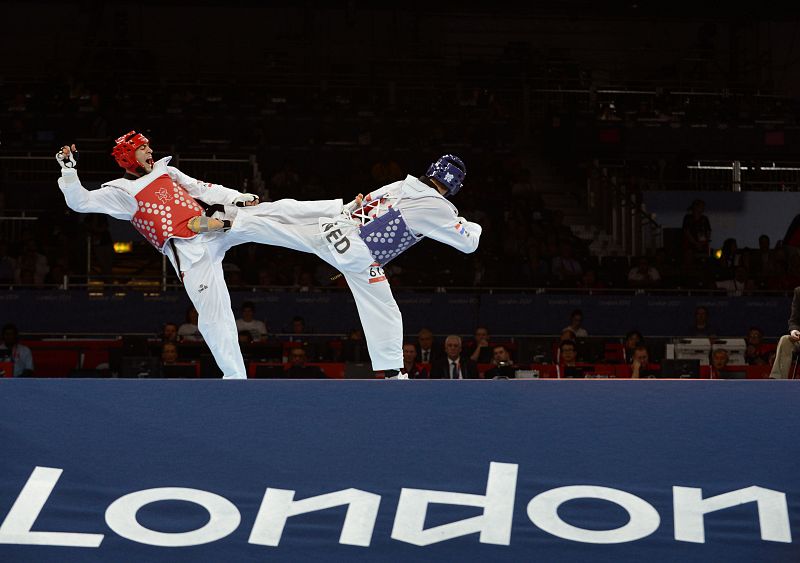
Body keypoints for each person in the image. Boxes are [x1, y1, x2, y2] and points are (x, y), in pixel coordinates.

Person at [56, 135, 339, 378]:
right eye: (144, 149)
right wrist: (69, 171)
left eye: (149, 147)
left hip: (212, 226)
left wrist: (238, 197)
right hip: (189, 254)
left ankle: (339, 213)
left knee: (268, 213)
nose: (151, 152)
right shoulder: (121, 191)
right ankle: (236, 379)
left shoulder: (168, 171)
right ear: (129, 157)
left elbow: (204, 189)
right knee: (214, 316)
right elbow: (80, 202)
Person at [225, 154, 481, 377]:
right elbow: (469, 243)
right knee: (384, 307)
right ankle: (392, 372)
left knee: (287, 224)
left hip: (337, 227)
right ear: (454, 185)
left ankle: (233, 220)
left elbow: (369, 198)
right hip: (358, 254)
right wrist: (471, 224)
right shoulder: (437, 206)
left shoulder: (404, 183)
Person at [770, 286, 800, 379]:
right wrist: (794, 330)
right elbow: (794, 320)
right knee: (785, 340)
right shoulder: (799, 291)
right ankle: (779, 380)